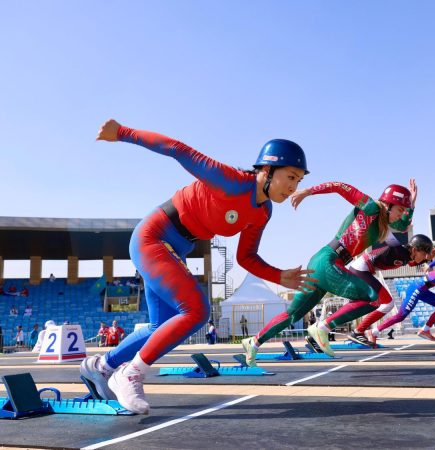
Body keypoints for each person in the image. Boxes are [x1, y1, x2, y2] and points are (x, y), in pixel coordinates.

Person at [80, 119, 315, 415]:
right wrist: (123, 133)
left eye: (299, 181)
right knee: (196, 311)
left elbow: (246, 257)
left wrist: (279, 276)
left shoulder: (263, 212)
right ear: (266, 170)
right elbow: (177, 149)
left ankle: (101, 366)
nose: (293, 187)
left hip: (175, 249)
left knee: (159, 327)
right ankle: (130, 373)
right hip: (152, 237)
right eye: (290, 177)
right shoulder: (230, 181)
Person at [243, 181, 415, 365]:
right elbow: (339, 187)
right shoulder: (370, 206)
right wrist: (308, 191)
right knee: (373, 298)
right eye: (400, 209)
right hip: (329, 262)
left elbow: (404, 225)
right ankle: (323, 327)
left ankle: (253, 342)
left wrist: (411, 204)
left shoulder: (383, 228)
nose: (401, 215)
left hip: (323, 263)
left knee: (293, 315)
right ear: (388, 204)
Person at [347, 233, 435, 346]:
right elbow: (387, 234)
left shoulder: (407, 255)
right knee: (388, 303)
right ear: (414, 250)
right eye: (424, 254)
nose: (424, 257)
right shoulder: (398, 249)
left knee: (376, 303)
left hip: (362, 269)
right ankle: (358, 331)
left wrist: (427, 259)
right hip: (361, 269)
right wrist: (382, 224)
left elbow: (412, 263)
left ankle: (357, 330)